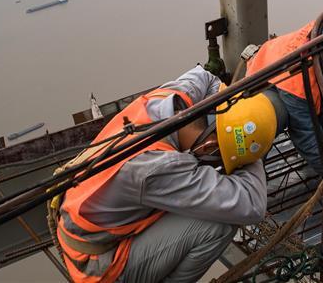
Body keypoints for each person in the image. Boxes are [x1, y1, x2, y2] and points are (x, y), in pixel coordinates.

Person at [52, 66, 268, 283]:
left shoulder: (173, 98)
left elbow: (207, 77)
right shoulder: (159, 167)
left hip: (82, 221)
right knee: (219, 225)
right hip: (95, 263)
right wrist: (248, 149)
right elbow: (251, 205)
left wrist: (235, 112)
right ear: (209, 144)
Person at [244, 20, 323, 175]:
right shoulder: (296, 87)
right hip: (267, 84)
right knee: (274, 117)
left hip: (307, 73)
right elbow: (309, 141)